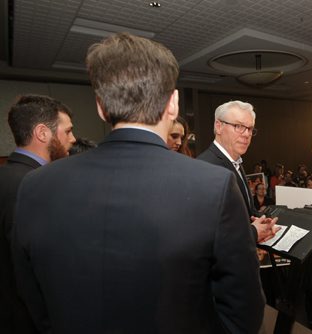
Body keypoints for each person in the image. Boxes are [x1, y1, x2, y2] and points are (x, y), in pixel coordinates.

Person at [11, 33, 264, 334]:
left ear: (100, 107)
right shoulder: (213, 186)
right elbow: (243, 309)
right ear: (173, 104)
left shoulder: (35, 185)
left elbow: (34, 299)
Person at [0, 94, 75, 334]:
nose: (73, 139)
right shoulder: (37, 187)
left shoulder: (6, 176)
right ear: (43, 133)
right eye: (68, 131)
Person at [197, 100, 279, 243]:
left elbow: (243, 212)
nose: (247, 134)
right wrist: (253, 233)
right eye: (239, 126)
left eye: (250, 128)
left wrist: (261, 221)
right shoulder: (205, 167)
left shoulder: (236, 162)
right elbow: (206, 231)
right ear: (219, 126)